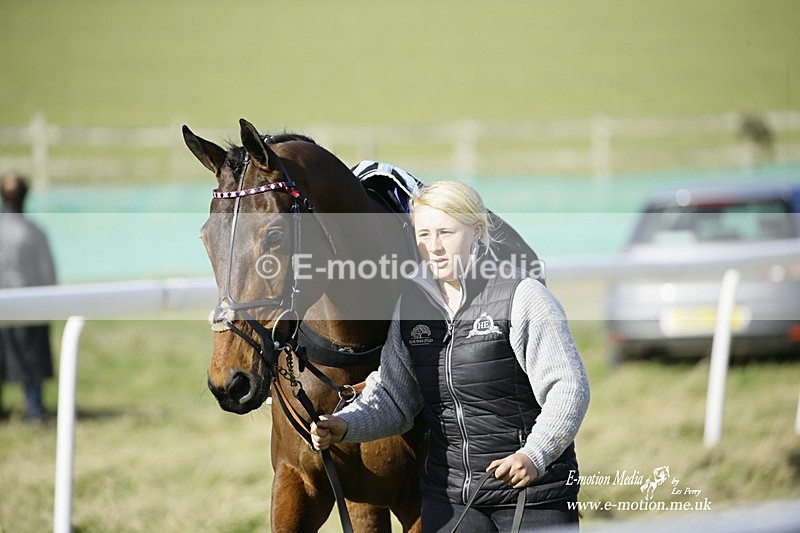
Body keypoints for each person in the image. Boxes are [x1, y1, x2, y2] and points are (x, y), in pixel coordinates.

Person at [311, 180, 590, 531]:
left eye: (446, 232)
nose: (435, 247)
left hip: (533, 494)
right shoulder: (411, 305)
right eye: (424, 234)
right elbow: (395, 397)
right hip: (453, 501)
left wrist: (535, 455)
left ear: (476, 231)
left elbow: (568, 388)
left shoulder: (523, 295)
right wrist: (345, 425)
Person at [0, 173, 56, 424]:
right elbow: (48, 273)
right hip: (30, 306)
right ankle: (34, 410)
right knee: (32, 365)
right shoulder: (34, 232)